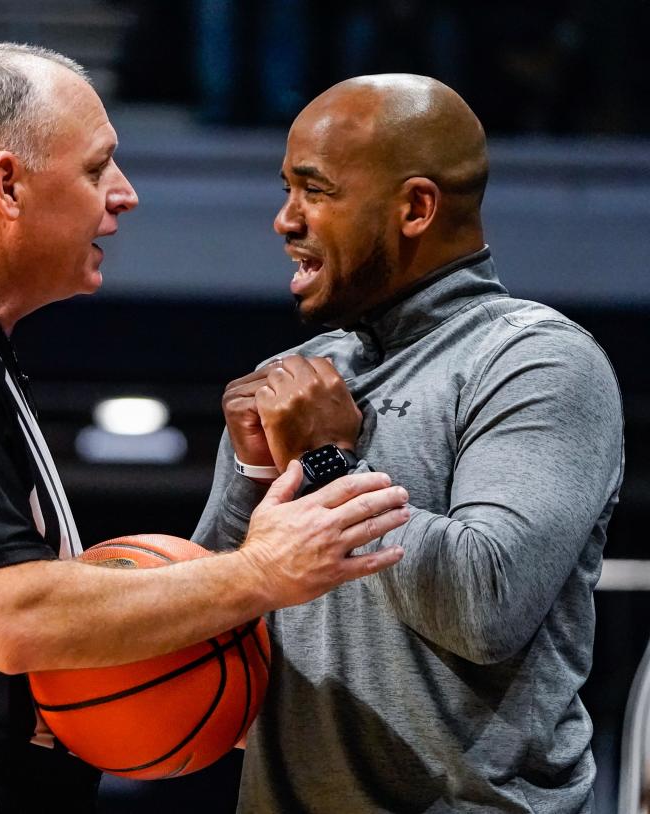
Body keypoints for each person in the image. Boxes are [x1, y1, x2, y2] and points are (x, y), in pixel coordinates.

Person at [0, 44, 411, 813]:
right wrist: (259, 573)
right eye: (97, 168)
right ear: (7, 183)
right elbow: (12, 619)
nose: (126, 195)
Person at [194, 73, 624, 812]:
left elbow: (484, 608)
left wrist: (328, 464)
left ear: (416, 207)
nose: (283, 220)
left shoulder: (539, 362)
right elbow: (203, 630)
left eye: (314, 190)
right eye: (285, 189)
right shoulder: (298, 379)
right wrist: (250, 471)